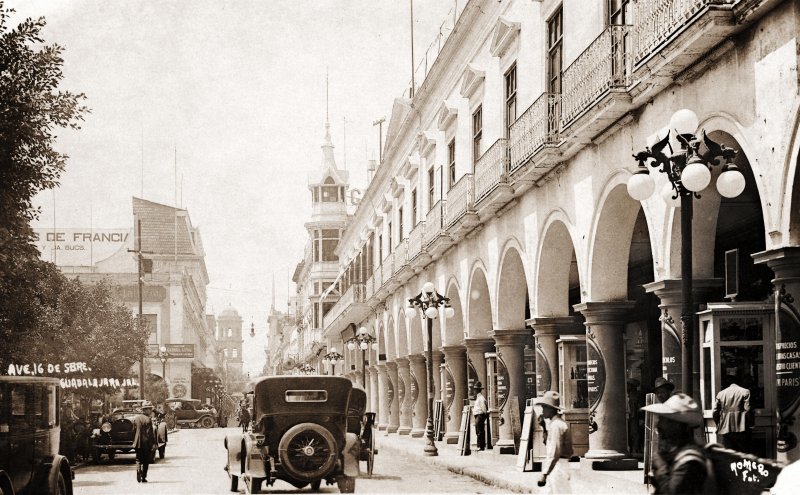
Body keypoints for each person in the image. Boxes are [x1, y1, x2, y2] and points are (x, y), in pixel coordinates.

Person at [642, 393, 713, 495]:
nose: (658, 426)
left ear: (677, 425)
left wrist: (661, 465)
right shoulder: (675, 454)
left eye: (663, 420)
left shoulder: (690, 461)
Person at [534, 391, 572, 492]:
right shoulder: (555, 424)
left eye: (545, 407)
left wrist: (545, 473)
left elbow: (555, 452)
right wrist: (543, 427)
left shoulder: (556, 426)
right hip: (556, 465)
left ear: (551, 409)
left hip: (557, 466)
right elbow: (549, 444)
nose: (542, 411)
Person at [713, 374, 752, 453]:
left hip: (725, 427)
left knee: (729, 453)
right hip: (741, 427)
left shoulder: (721, 394)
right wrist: (751, 424)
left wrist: (717, 423)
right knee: (744, 453)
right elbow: (748, 410)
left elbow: (715, 411)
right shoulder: (745, 392)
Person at [132, 400, 156, 483]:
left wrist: (134, 441)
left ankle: (138, 470)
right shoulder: (148, 420)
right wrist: (153, 443)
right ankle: (143, 477)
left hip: (137, 443)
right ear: (146, 410)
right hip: (146, 444)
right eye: (149, 409)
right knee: (146, 460)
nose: (151, 411)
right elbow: (150, 434)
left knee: (138, 459)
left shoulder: (136, 418)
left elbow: (134, 431)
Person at [471, 381, 488, 451]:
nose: (474, 391)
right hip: (478, 416)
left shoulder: (481, 398)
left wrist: (484, 415)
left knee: (480, 431)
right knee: (478, 430)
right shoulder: (478, 398)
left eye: (475, 390)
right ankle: (480, 446)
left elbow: (483, 408)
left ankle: (481, 446)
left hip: (480, 415)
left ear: (478, 390)